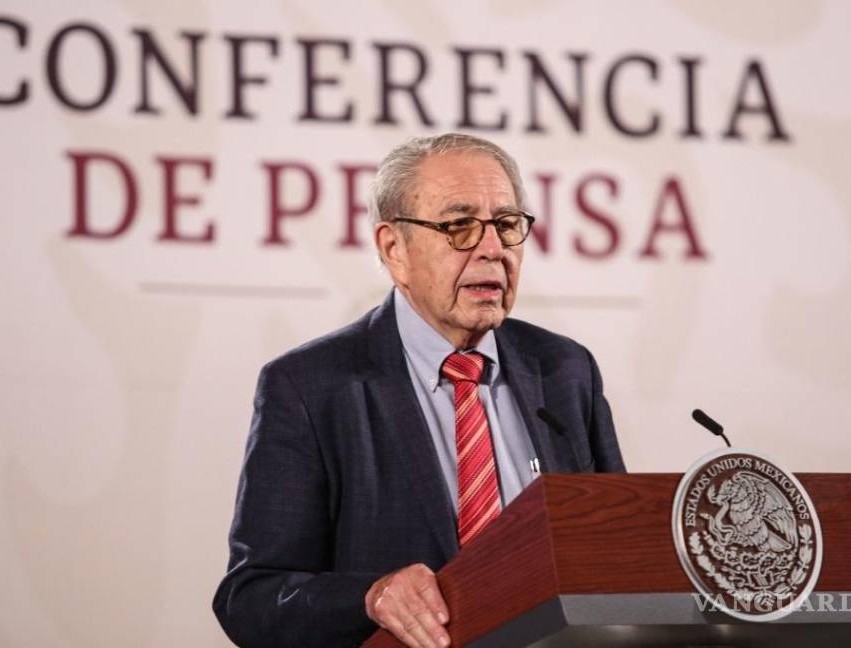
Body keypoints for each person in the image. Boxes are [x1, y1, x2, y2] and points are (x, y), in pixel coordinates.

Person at [212, 133, 625, 648]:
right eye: (459, 227)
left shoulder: (565, 370)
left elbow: (621, 554)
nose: (493, 250)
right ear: (394, 249)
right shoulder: (310, 387)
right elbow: (252, 599)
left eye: (506, 225)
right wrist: (370, 598)